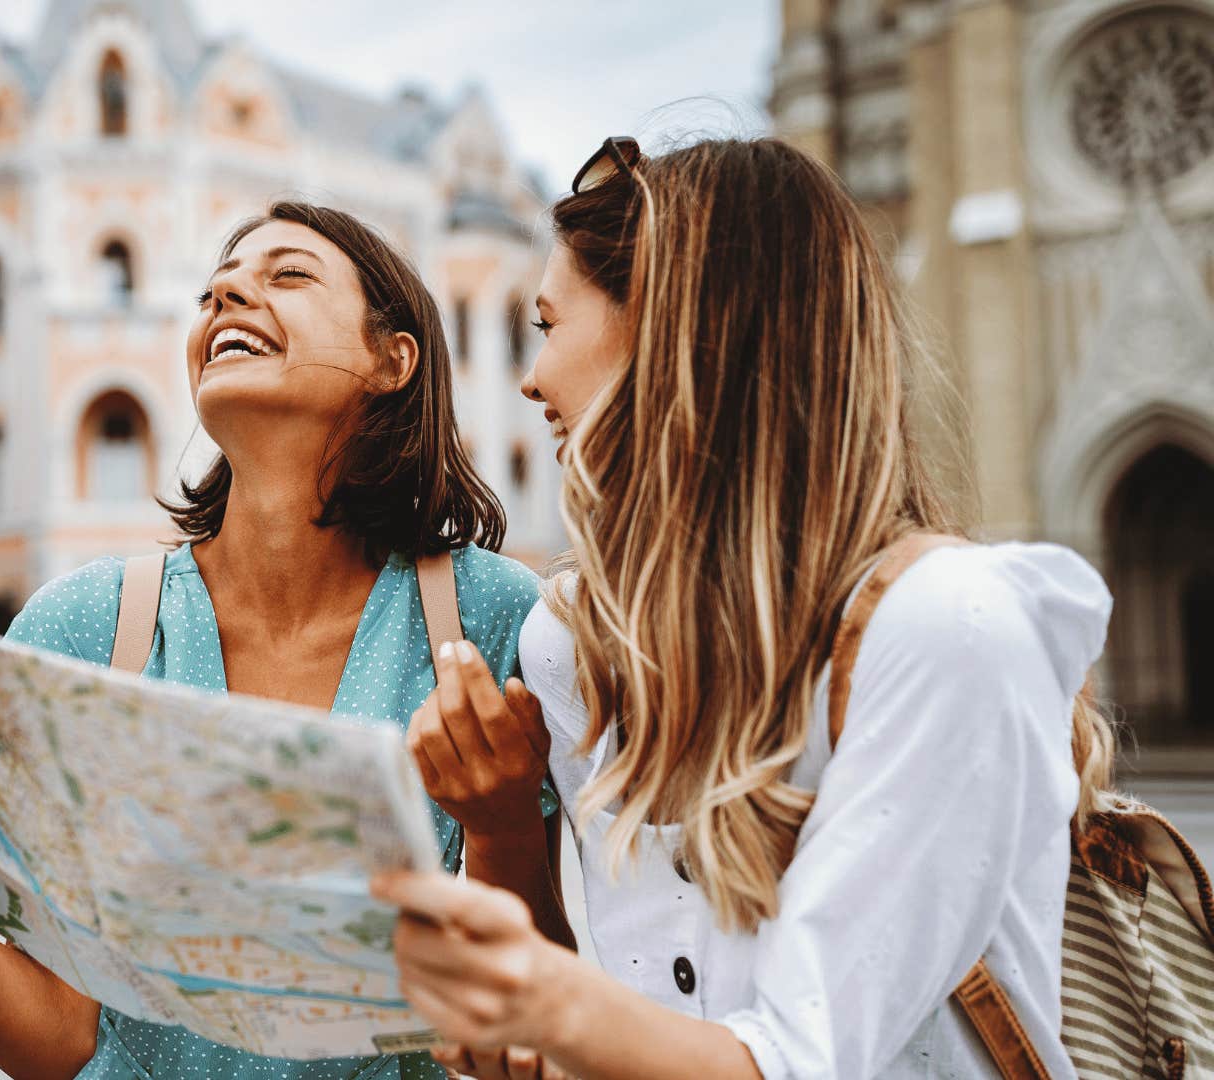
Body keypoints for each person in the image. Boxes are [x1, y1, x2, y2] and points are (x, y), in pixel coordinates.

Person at [0, 201, 548, 1079]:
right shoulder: (82, 625)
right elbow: (62, 1034)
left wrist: (507, 822)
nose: (226, 293)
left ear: (391, 359)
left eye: (285, 274)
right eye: (216, 286)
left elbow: (547, 1020)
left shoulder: (496, 620)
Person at [375, 136, 1114, 1080]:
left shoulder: (942, 626)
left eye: (550, 326)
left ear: (677, 333)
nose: (532, 380)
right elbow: (615, 1019)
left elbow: (798, 1060)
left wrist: (540, 1001)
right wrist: (503, 827)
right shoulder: (570, 639)